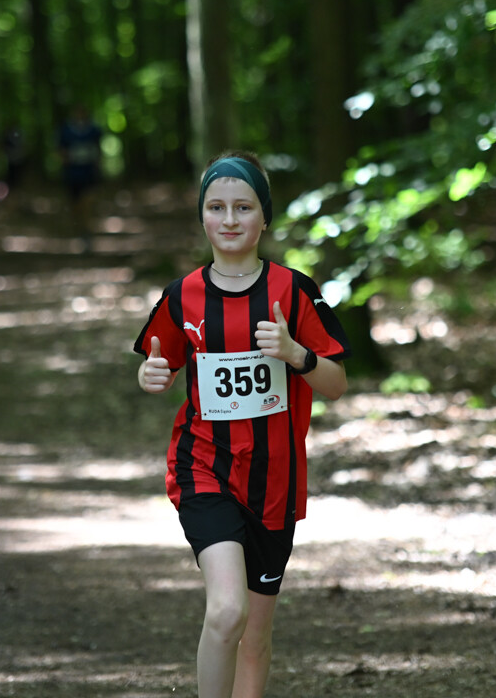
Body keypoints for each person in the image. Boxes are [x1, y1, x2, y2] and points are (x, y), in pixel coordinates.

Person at [133, 151, 351, 698]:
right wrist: (150, 374)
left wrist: (295, 354)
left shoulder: (294, 291)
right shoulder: (182, 294)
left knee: (255, 636)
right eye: (216, 207)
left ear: (264, 217)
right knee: (227, 611)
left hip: (274, 480)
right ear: (202, 216)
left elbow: (336, 383)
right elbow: (160, 361)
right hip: (204, 466)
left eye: (243, 207)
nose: (229, 219)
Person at [57, 104, 103, 243]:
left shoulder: (93, 130)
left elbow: (98, 148)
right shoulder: (66, 131)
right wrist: (66, 159)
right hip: (73, 173)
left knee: (88, 199)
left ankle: (86, 228)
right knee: (75, 202)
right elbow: (61, 150)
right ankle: (77, 225)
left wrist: (98, 164)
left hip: (88, 171)